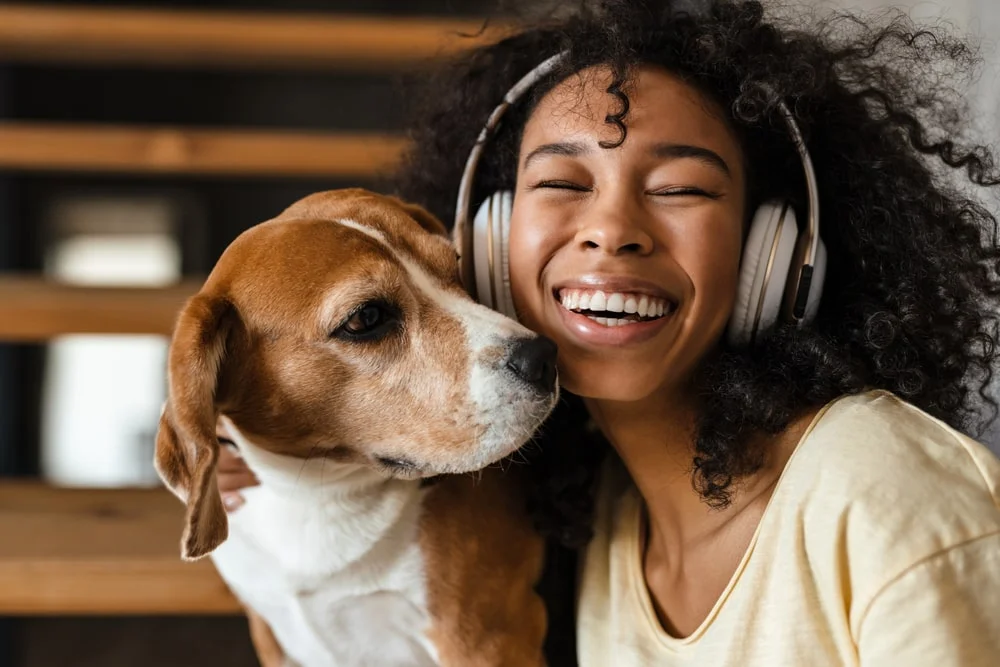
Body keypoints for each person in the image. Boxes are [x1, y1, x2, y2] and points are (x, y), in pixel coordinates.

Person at [216, 0, 1000, 664]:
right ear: (487, 244)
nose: (611, 230)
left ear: (774, 252)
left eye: (680, 187)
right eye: (561, 183)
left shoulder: (879, 488)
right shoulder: (607, 515)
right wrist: (263, 456)